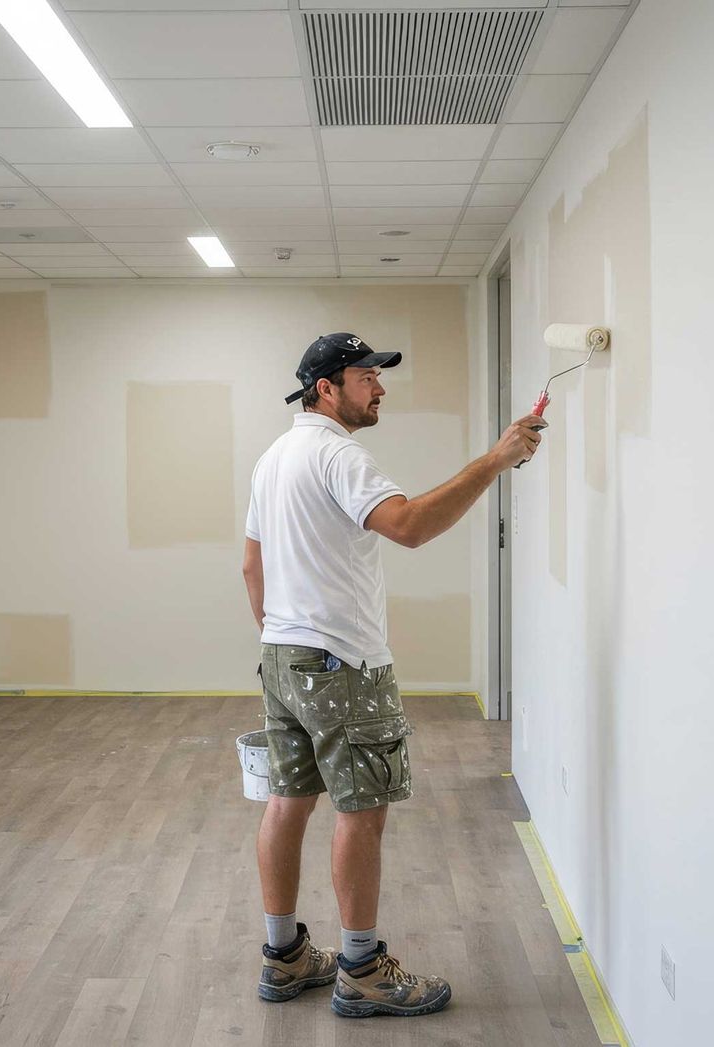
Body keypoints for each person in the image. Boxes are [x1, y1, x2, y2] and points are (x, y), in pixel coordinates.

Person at [241, 331, 544, 1018]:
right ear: (327, 388)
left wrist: (280, 638)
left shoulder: (274, 457)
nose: (379, 387)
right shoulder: (337, 453)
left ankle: (283, 956)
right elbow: (406, 525)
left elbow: (251, 567)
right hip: (342, 661)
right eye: (365, 376)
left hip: (283, 656)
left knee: (287, 802)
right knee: (361, 811)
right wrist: (493, 461)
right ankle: (362, 968)